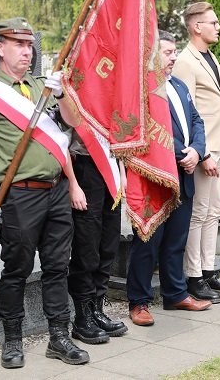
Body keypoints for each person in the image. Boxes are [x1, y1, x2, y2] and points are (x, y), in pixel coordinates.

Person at [0, 17, 88, 368]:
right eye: (18, 44)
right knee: (17, 268)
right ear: (0, 48)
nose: (26, 51)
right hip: (21, 195)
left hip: (56, 190)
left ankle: (58, 337)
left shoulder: (42, 86)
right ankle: (12, 339)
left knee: (57, 266)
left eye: (29, 45)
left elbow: (73, 123)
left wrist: (62, 94)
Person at [127, 31, 213, 326]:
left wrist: (197, 151)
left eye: (175, 52)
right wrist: (182, 153)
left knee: (176, 240)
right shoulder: (143, 91)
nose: (174, 57)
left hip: (185, 173)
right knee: (148, 242)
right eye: (167, 52)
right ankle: (139, 302)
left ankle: (175, 293)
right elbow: (148, 130)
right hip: (156, 179)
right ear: (151, 56)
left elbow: (196, 120)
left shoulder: (178, 85)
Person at [172, 2, 220, 302]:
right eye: (213, 22)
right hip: (204, 151)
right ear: (196, 26)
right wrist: (202, 154)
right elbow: (186, 114)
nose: (219, 27)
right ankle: (194, 275)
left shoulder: (210, 56)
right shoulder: (185, 62)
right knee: (199, 213)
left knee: (215, 210)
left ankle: (209, 270)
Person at [66, 132, 128, 344]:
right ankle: (82, 317)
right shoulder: (73, 107)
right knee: (87, 245)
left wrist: (122, 173)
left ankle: (97, 310)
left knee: (108, 243)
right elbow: (62, 141)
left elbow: (118, 136)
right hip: (85, 167)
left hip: (112, 168)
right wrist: (73, 184)